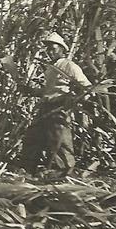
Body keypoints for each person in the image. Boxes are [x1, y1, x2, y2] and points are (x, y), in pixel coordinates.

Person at [20, 31, 91, 178]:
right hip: (46, 107)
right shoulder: (51, 67)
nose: (50, 51)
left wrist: (72, 99)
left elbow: (87, 87)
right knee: (33, 136)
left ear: (62, 49)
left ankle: (65, 171)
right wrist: (31, 91)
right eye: (48, 48)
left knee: (60, 139)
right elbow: (49, 91)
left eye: (53, 48)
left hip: (59, 108)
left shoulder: (69, 65)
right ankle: (28, 168)